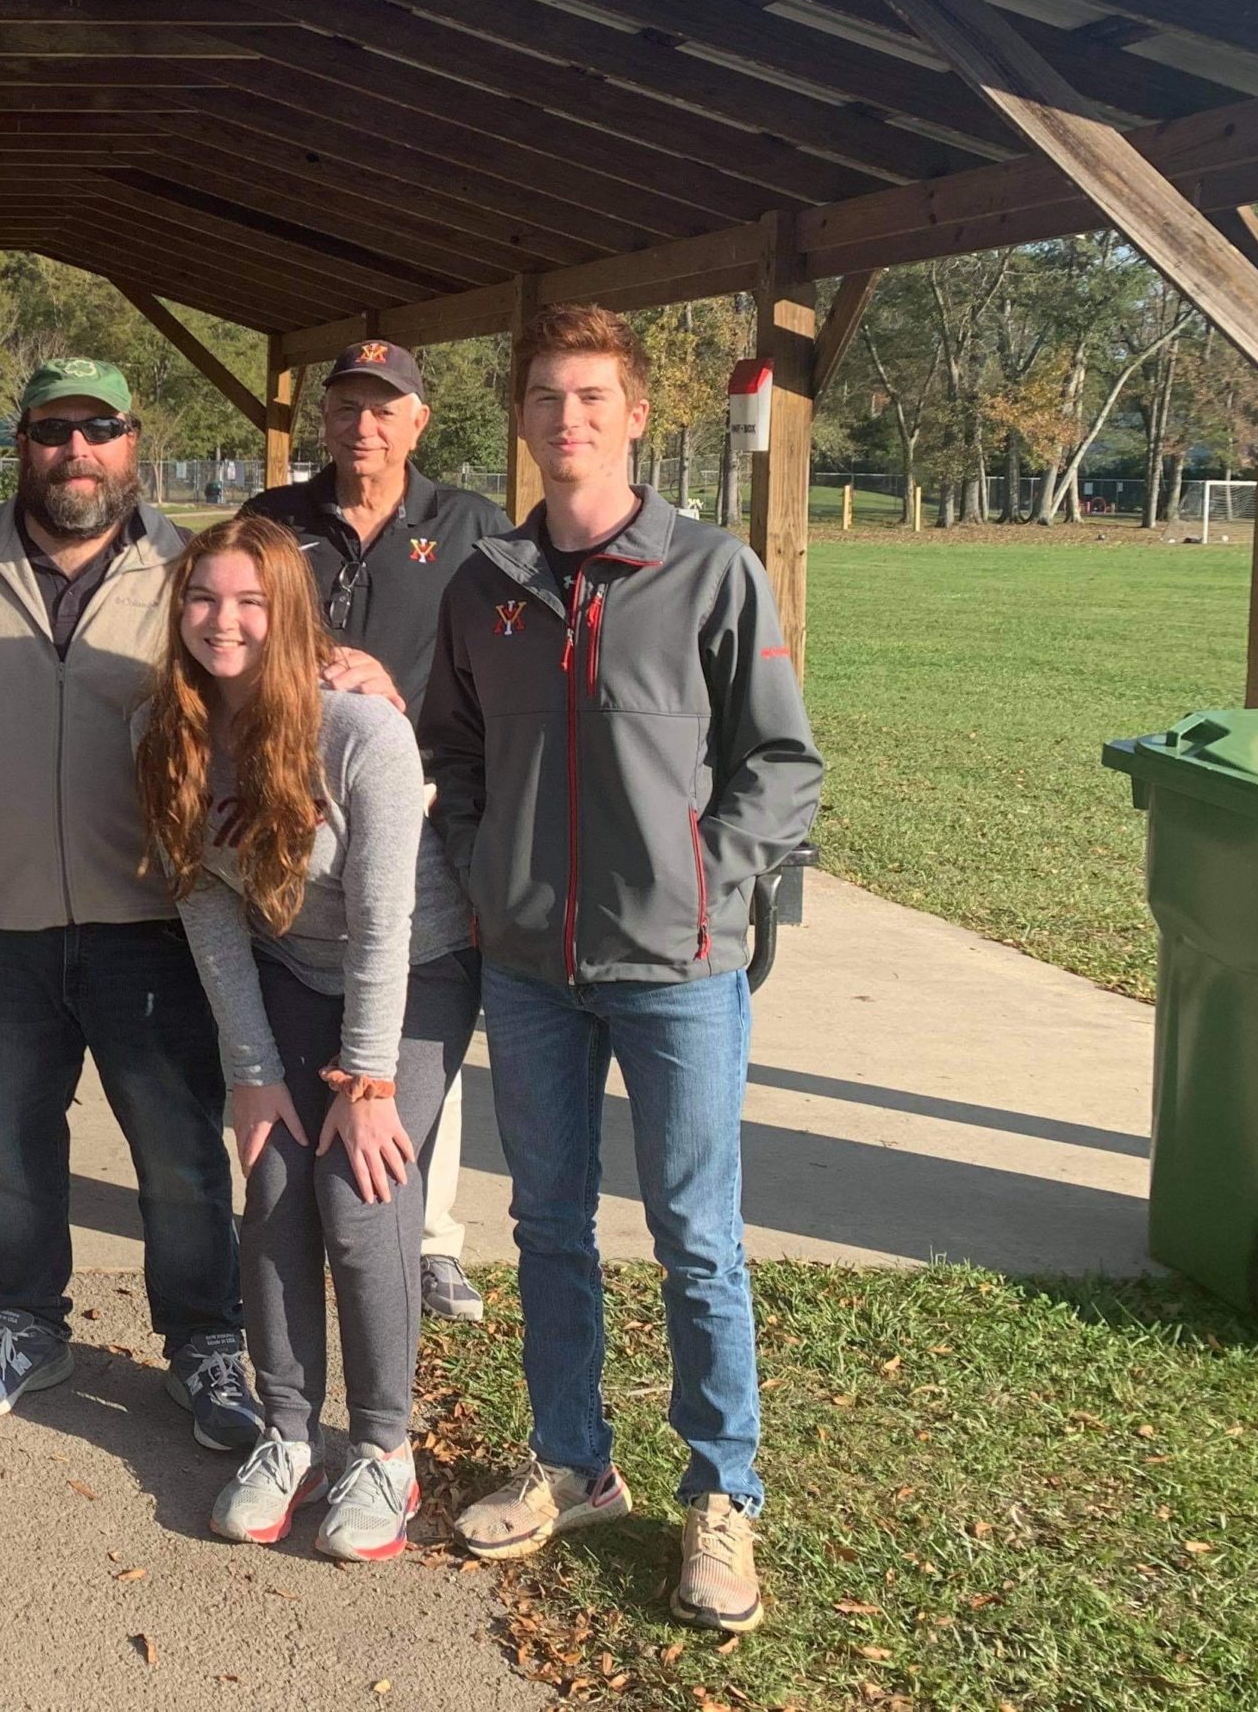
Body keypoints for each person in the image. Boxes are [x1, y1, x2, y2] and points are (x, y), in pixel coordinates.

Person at [422, 305, 821, 1635]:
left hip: (678, 969)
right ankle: (572, 1460)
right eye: (545, 396)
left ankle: (724, 1494)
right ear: (522, 419)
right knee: (548, 1225)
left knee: (697, 1237)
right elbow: (455, 754)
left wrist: (709, 883)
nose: (568, 417)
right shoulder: (484, 587)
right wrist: (486, 866)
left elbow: (781, 763)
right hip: (531, 963)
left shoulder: (713, 573)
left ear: (638, 414)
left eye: (593, 395)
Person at [0, 360, 259, 1449]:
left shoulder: (192, 574)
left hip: (153, 920)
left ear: (133, 441)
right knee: (10, 1141)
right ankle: (26, 1325)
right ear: (23, 446)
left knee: (180, 1153)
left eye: (100, 430)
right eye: (54, 432)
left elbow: (268, 689)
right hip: (1, 920)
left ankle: (205, 1343)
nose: (76, 452)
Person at [134, 512, 477, 1561]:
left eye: (249, 601)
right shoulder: (172, 731)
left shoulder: (359, 732)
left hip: (413, 972)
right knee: (275, 1175)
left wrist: (365, 1084)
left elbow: (386, 921)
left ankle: (383, 1452)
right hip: (288, 968)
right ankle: (289, 1434)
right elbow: (205, 905)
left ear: (289, 615)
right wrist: (252, 1074)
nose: (222, 621)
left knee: (358, 1184)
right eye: (202, 598)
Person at [245, 339, 509, 1325]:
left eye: (385, 407)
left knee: (421, 1028)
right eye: (348, 406)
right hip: (295, 820)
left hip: (430, 815)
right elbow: (229, 631)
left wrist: (411, 704)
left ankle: (430, 1241)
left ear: (418, 422)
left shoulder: (479, 528)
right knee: (315, 1012)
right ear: (325, 420)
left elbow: (523, 656)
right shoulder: (273, 522)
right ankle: (314, 1211)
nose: (365, 424)